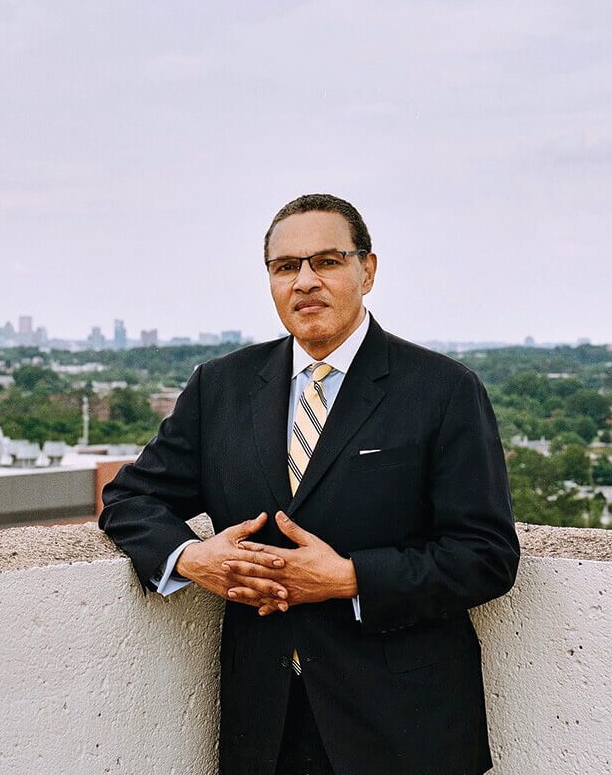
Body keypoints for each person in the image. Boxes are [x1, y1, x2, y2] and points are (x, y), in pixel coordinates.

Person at [98, 193, 519, 775]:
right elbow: (129, 496)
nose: (304, 282)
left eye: (326, 261)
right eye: (285, 267)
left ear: (366, 271)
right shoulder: (220, 387)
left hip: (404, 730)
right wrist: (191, 559)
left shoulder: (443, 390)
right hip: (264, 727)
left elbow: (486, 556)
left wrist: (349, 578)